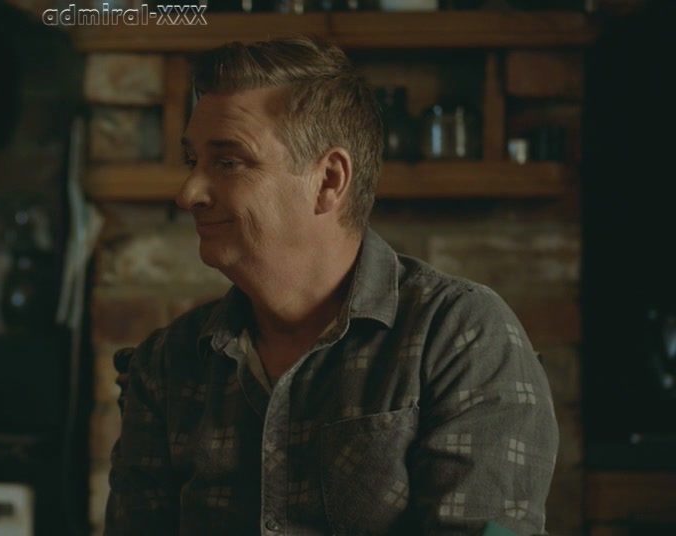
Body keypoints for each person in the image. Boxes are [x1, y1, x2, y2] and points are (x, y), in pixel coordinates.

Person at [105, 36, 558, 535]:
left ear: (328, 180)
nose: (187, 192)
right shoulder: (166, 362)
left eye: (229, 162)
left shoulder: (461, 335)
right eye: (192, 161)